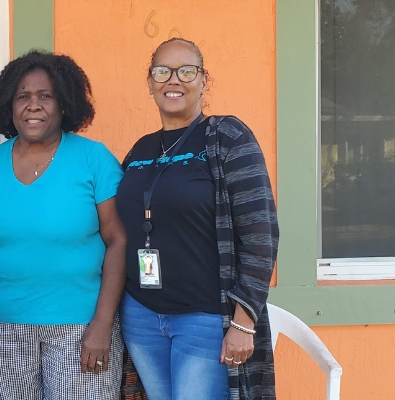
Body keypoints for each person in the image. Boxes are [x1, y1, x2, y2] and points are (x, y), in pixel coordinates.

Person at [115, 37, 279, 400]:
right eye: (162, 71)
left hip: (205, 319)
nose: (173, 80)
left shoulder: (228, 138)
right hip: (141, 316)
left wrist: (244, 322)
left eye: (186, 71)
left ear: (204, 80)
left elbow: (261, 235)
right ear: (150, 82)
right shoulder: (140, 150)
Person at [0, 50, 127, 400]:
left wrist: (102, 324)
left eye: (45, 96)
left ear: (64, 104)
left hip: (79, 325)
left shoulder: (94, 158)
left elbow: (118, 241)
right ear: (9, 105)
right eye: (23, 97)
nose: (33, 106)